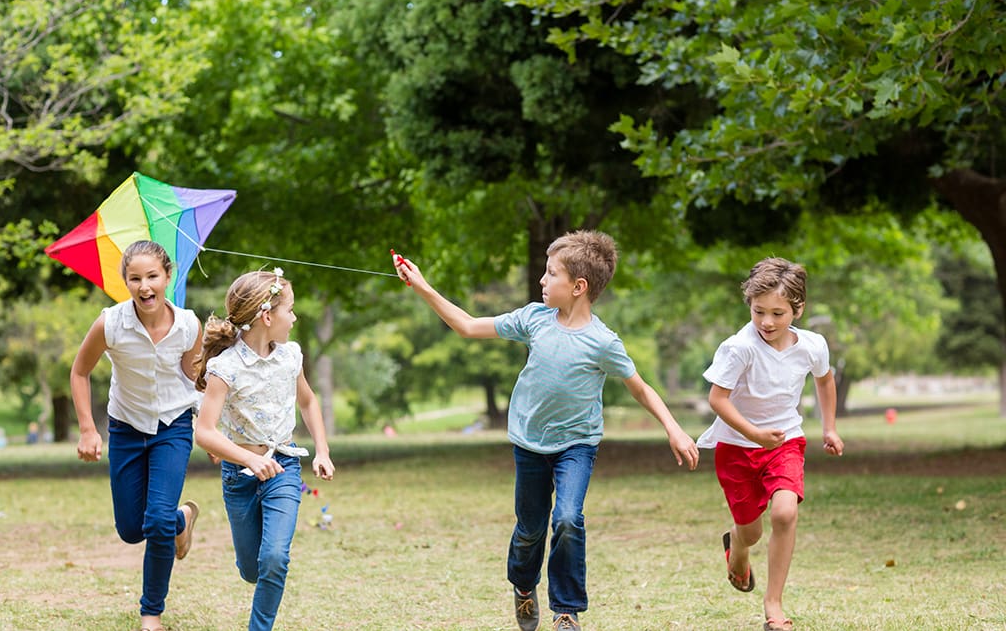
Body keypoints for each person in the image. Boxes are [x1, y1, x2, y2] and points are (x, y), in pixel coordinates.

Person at [393, 231, 699, 631]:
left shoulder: (603, 341)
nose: (541, 280)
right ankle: (523, 587)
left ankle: (566, 611)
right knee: (530, 528)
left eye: (550, 273)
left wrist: (673, 429)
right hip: (529, 443)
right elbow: (468, 326)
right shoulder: (533, 319)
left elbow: (639, 387)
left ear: (578, 287)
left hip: (577, 444)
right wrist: (422, 287)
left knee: (568, 519)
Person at [697, 257, 845, 631]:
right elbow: (718, 399)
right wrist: (753, 435)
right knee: (752, 531)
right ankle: (738, 546)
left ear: (798, 309)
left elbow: (825, 382)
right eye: (758, 311)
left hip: (785, 442)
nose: (766, 321)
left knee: (784, 513)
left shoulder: (812, 345)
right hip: (736, 448)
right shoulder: (739, 347)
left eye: (778, 313)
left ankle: (774, 604)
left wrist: (829, 428)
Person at [69, 240, 202, 631]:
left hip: (173, 427)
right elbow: (79, 372)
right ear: (125, 281)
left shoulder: (188, 325)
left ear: (168, 277)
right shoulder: (110, 323)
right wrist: (88, 429)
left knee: (155, 522)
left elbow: (195, 377)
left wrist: (212, 427)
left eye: (152, 277)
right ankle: (183, 520)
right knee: (132, 529)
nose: (145, 286)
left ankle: (151, 613)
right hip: (126, 428)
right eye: (135, 278)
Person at [193, 268, 335, 631]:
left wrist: (321, 450)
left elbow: (308, 401)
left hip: (284, 467)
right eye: (290, 310)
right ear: (267, 316)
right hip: (238, 477)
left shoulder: (291, 357)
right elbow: (205, 434)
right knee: (252, 569)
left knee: (274, 557)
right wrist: (249, 459)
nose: (295, 317)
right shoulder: (224, 368)